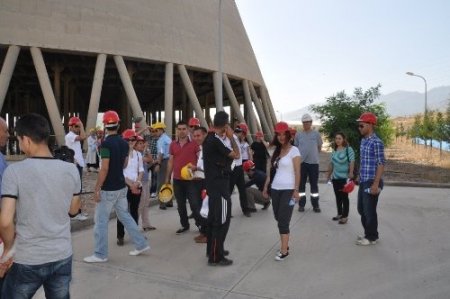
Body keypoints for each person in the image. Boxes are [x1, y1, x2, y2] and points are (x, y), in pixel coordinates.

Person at [0, 113, 81, 298]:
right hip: (61, 255)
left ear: (26, 140)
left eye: (19, 140)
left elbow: (5, 222)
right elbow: (73, 210)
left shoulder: (14, 172)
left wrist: (8, 249)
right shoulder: (71, 170)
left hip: (27, 258)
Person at [84, 110, 149, 263]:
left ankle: (100, 254)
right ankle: (141, 244)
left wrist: (97, 188)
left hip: (108, 189)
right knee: (125, 216)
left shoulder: (105, 144)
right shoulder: (123, 143)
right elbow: (125, 163)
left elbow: (104, 168)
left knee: (100, 222)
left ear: (105, 125)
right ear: (118, 125)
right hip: (121, 187)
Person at [203, 111, 240, 266]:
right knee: (222, 221)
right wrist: (232, 136)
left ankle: (213, 250)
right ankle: (216, 256)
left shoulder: (209, 139)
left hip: (213, 186)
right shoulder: (216, 141)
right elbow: (237, 155)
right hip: (220, 186)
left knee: (213, 220)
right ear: (226, 125)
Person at [263, 121, 300, 261]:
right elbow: (271, 172)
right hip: (275, 189)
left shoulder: (294, 150)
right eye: (279, 134)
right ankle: (285, 243)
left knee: (283, 221)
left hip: (288, 190)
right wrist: (266, 187)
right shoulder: (276, 151)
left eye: (284, 134)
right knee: (278, 218)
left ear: (289, 135)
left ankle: (284, 250)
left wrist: (296, 190)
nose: (281, 137)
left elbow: (298, 172)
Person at [164, 121, 201, 235]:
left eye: (184, 129)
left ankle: (201, 225)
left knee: (194, 203)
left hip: (191, 179)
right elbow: (170, 162)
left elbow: (200, 160)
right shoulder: (173, 144)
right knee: (180, 205)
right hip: (177, 179)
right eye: (179, 129)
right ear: (176, 130)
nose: (181, 131)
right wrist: (167, 178)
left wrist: (199, 171)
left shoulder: (194, 143)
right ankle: (185, 225)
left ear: (187, 130)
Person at [356, 112, 385, 246]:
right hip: (363, 180)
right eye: (359, 126)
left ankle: (371, 237)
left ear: (370, 125)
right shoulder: (363, 141)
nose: (359, 128)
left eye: (362, 125)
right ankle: (370, 233)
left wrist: (376, 184)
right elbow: (364, 161)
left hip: (372, 181)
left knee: (369, 210)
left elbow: (380, 163)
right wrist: (358, 175)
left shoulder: (377, 142)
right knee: (361, 209)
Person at [116, 129, 144, 246]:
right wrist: (130, 184)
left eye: (133, 139)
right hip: (124, 186)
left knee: (134, 211)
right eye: (128, 140)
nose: (131, 142)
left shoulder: (138, 154)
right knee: (122, 211)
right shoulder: (121, 154)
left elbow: (141, 170)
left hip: (136, 185)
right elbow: (120, 171)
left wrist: (137, 182)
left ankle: (134, 234)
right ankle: (120, 236)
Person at [294, 113, 323, 213]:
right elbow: (296, 148)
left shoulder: (316, 134)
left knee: (314, 185)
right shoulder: (298, 134)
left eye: (308, 122)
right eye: (304, 122)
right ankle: (301, 205)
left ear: (311, 123)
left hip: (314, 164)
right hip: (302, 164)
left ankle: (315, 205)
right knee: (301, 185)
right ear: (302, 123)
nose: (306, 124)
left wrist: (314, 155)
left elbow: (319, 147)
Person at [326, 132, 355, 224]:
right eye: (336, 138)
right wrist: (328, 175)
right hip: (335, 178)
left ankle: (345, 216)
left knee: (344, 197)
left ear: (343, 139)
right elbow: (331, 164)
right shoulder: (334, 150)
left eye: (339, 138)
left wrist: (350, 172)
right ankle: (339, 214)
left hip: (344, 178)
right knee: (338, 197)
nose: (337, 140)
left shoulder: (348, 149)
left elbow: (352, 161)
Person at [65, 116, 88, 221]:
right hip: (74, 166)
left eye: (78, 126)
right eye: (77, 126)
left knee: (77, 190)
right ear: (71, 127)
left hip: (77, 165)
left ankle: (77, 212)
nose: (78, 129)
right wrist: (82, 125)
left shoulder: (73, 136)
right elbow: (83, 136)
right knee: (76, 191)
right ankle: (75, 213)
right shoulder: (69, 136)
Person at [227, 125, 252, 217]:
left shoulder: (236, 139)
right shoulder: (231, 139)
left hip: (239, 167)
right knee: (229, 191)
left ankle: (245, 209)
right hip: (233, 168)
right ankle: (227, 212)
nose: (244, 137)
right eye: (244, 134)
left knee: (242, 190)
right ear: (242, 133)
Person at [190, 126, 208, 243]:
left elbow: (209, 167)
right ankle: (204, 232)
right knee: (199, 206)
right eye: (194, 136)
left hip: (207, 182)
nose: (196, 138)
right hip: (200, 179)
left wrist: (196, 168)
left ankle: (207, 234)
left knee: (205, 208)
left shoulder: (207, 148)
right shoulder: (201, 148)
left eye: (198, 135)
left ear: (204, 135)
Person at [136, 135, 156, 231]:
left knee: (146, 203)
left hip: (145, 180)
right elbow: (148, 160)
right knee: (141, 204)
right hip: (139, 182)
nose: (142, 145)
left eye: (142, 143)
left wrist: (147, 150)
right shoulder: (136, 155)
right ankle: (135, 225)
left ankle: (146, 224)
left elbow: (151, 161)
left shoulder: (142, 154)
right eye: (140, 143)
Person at [153, 122, 173, 210]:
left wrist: (158, 164)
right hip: (170, 160)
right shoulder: (168, 138)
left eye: (156, 130)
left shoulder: (161, 140)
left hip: (164, 161)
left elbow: (161, 153)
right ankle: (169, 201)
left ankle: (162, 203)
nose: (154, 132)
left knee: (161, 182)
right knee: (167, 181)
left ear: (161, 130)